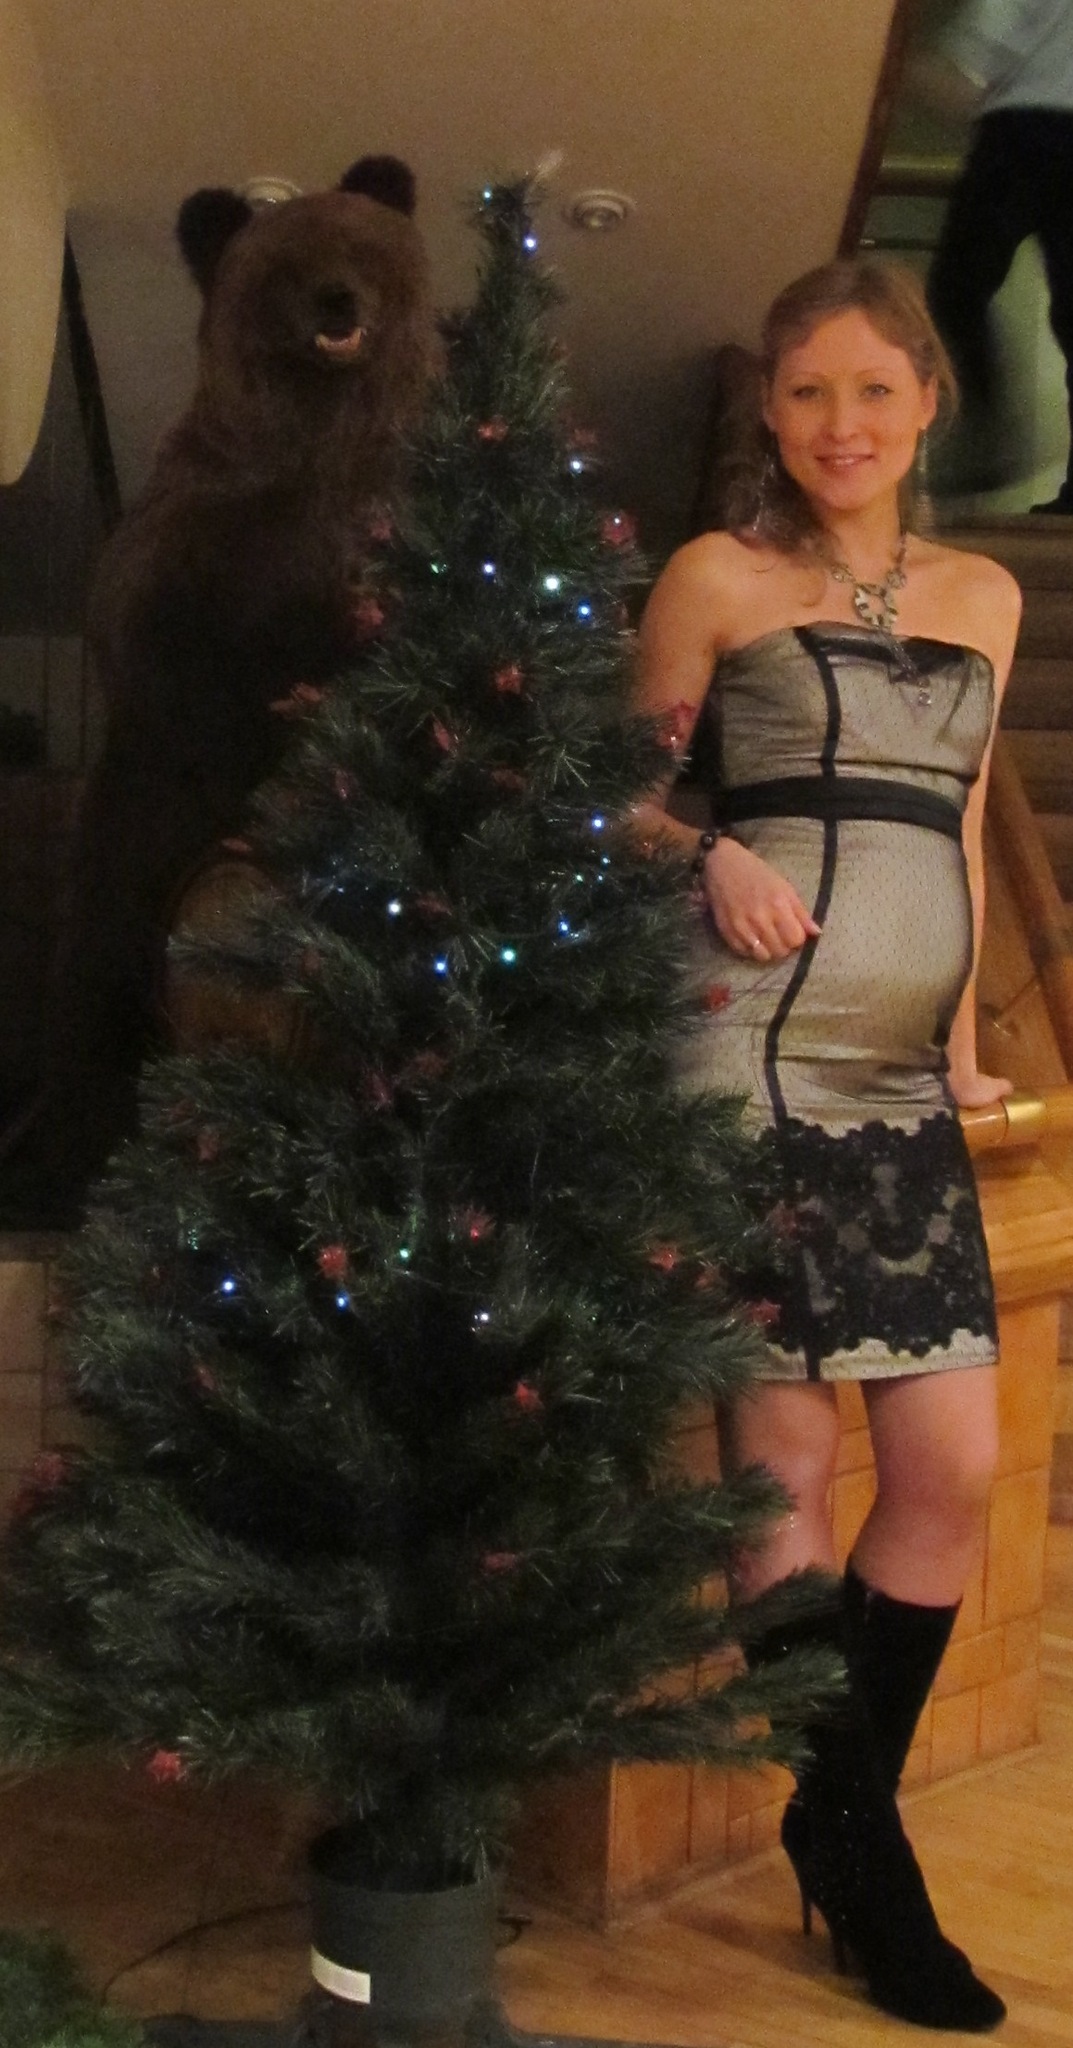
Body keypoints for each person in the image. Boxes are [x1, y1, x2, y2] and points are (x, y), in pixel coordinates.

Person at [632, 256, 1020, 2030]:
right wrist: (705, 848)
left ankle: (828, 1814)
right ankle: (871, 1874)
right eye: (805, 394)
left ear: (926, 401)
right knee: (781, 1465)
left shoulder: (983, 596)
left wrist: (960, 1046)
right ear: (769, 415)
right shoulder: (715, 578)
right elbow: (602, 799)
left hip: (895, 1084)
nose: (839, 424)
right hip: (748, 1056)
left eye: (872, 389)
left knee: (949, 1468)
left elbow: (955, 835)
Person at [918, 0, 1073, 510]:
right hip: (1036, 128)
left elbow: (973, 58)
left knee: (955, 290)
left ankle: (985, 433)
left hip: (1023, 131)